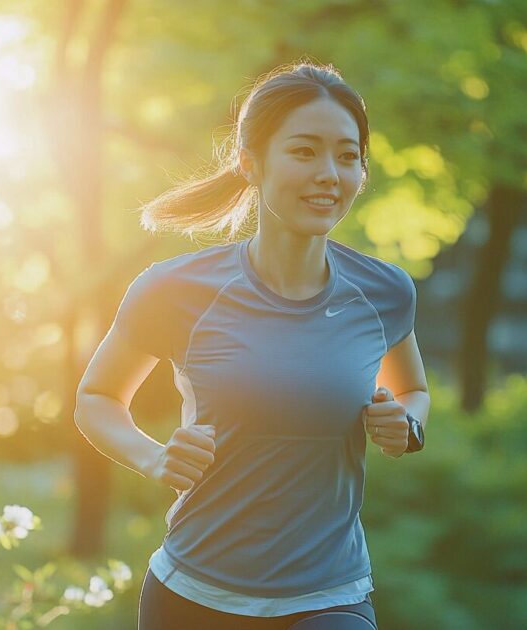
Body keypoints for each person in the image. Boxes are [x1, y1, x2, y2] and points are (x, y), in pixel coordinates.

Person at [74, 61, 431, 630]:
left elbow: (411, 389)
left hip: (329, 596)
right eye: (304, 151)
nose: (329, 174)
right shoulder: (176, 290)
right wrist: (154, 456)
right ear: (251, 162)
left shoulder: (384, 292)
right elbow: (96, 396)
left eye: (347, 155)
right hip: (194, 597)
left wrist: (407, 425)